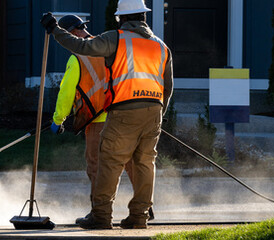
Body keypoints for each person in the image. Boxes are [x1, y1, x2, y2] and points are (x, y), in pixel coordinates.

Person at [41, 0, 174, 229]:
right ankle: (139, 217)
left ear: (122, 18)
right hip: (154, 111)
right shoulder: (161, 47)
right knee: (144, 164)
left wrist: (55, 30)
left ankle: (101, 216)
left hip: (124, 111)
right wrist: (159, 113)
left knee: (109, 162)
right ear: (143, 16)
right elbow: (167, 87)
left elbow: (81, 47)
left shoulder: (117, 38)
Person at [47, 14, 144, 228]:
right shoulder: (108, 48)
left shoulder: (77, 58)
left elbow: (66, 93)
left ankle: (98, 213)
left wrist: (58, 119)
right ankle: (144, 209)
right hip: (125, 116)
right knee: (131, 163)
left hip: (99, 121)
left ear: (71, 33)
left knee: (97, 166)